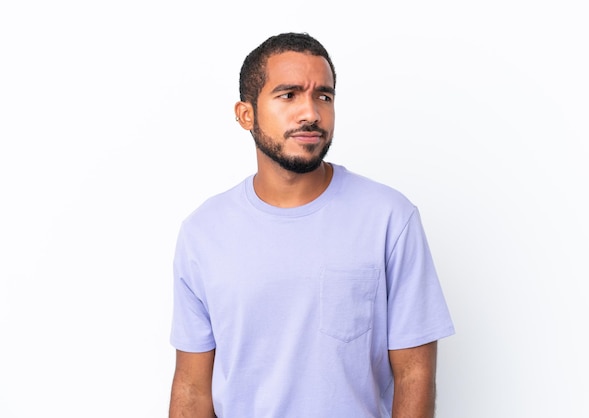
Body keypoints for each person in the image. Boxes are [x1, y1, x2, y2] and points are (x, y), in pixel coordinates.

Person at [168, 32, 455, 418]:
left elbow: (414, 374)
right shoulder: (203, 233)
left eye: (324, 96)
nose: (311, 113)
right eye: (288, 95)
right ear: (245, 114)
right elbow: (191, 387)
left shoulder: (389, 218)